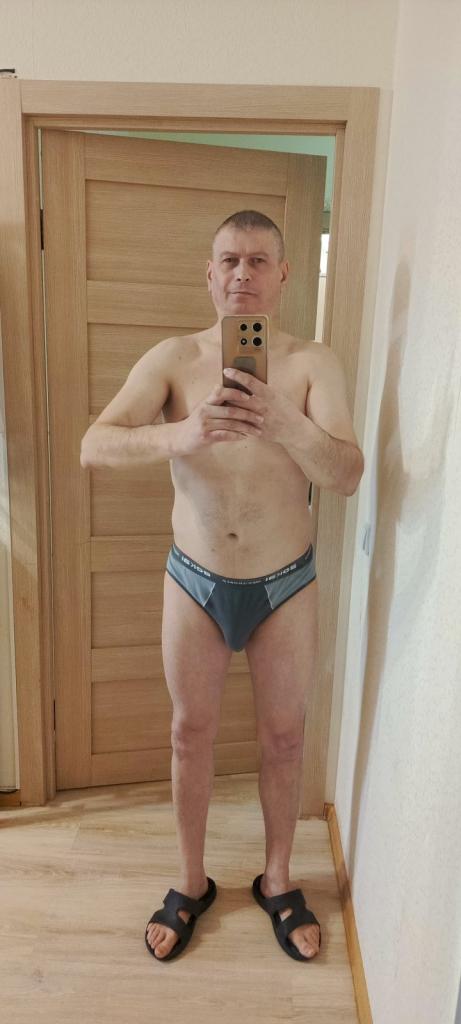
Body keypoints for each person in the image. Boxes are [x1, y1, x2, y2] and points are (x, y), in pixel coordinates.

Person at [80, 209, 364, 964]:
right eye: (229, 260)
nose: (243, 273)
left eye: (258, 260)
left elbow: (346, 473)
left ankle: (277, 880)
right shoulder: (173, 359)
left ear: (283, 275)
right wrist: (183, 433)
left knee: (284, 736)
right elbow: (95, 444)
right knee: (189, 733)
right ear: (209, 274)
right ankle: (189, 881)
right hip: (195, 581)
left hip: (285, 583)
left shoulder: (312, 364)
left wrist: (282, 421)